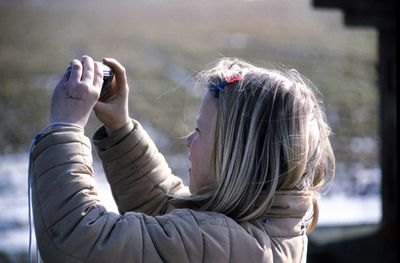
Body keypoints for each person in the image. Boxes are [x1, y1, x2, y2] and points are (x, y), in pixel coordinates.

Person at [29, 55, 335, 262]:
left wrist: (65, 128)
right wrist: (120, 128)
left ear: (236, 159)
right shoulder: (269, 230)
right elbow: (165, 214)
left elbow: (77, 240)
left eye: (200, 131)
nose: (189, 140)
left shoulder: (217, 241)